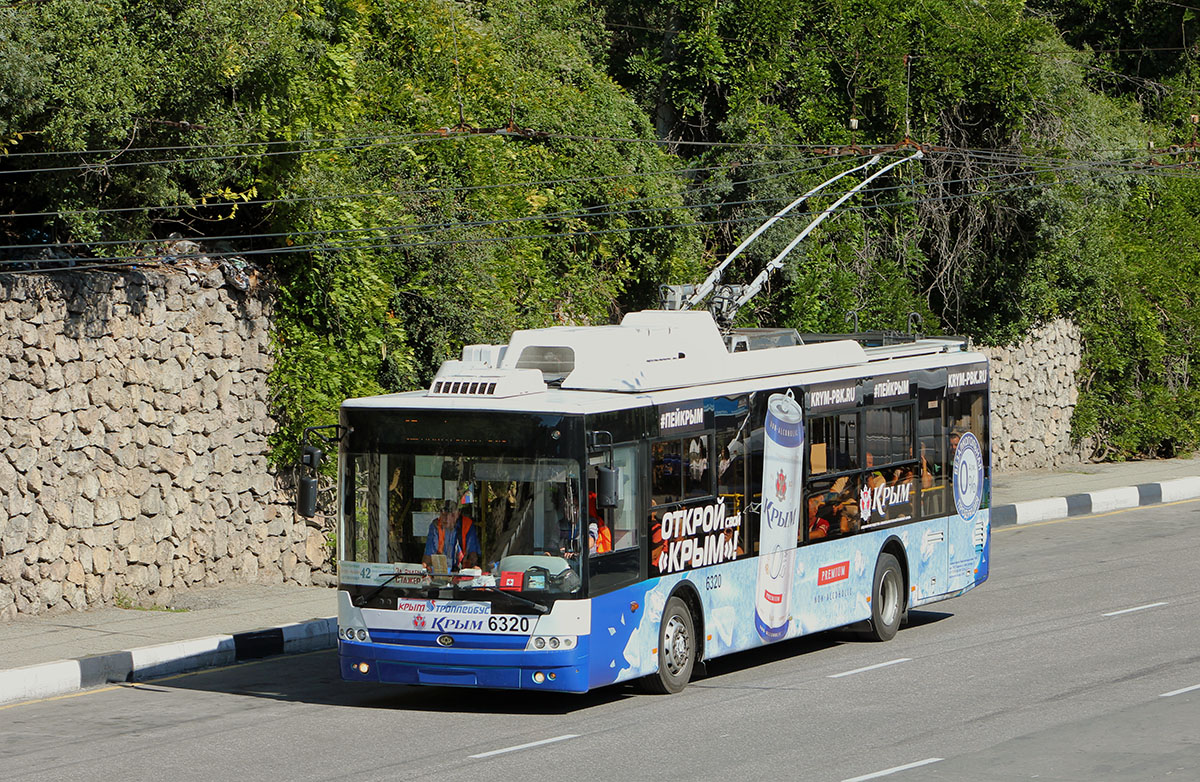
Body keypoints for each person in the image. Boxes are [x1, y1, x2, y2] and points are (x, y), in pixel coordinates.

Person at [423, 499, 481, 572]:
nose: (447, 519)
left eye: (452, 515)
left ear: (458, 514)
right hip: (440, 571)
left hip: (462, 571)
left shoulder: (467, 524)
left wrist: (474, 568)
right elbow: (429, 554)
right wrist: (424, 569)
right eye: (444, 515)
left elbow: (473, 553)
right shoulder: (435, 526)